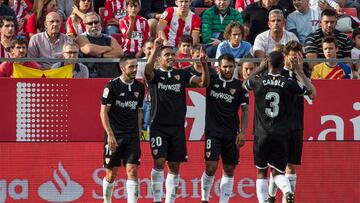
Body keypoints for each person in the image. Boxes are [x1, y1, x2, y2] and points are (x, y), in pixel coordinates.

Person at [144, 37, 209, 203]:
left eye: (172, 54)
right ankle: (157, 199)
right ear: (159, 58)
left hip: (177, 127)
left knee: (174, 165)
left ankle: (170, 201)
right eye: (166, 55)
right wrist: (154, 49)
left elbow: (203, 83)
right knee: (159, 162)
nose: (170, 57)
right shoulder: (155, 75)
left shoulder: (182, 74)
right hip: (158, 125)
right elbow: (146, 72)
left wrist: (205, 66)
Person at [243, 51, 314, 203]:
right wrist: (298, 71)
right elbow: (310, 91)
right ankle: (287, 191)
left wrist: (260, 68)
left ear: (267, 63)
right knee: (278, 172)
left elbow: (244, 84)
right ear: (283, 65)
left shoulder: (258, 80)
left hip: (261, 133)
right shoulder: (289, 83)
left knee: (261, 171)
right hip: (281, 134)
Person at [267, 40, 316, 203]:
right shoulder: (278, 73)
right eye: (292, 57)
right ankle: (271, 196)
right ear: (285, 57)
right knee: (276, 166)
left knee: (292, 165)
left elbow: (313, 94)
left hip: (295, 125)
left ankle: (286, 200)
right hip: (278, 127)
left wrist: (300, 72)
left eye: (298, 56)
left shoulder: (303, 73)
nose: (295, 60)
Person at [200, 53, 249, 203]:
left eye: (230, 66)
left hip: (231, 134)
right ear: (219, 68)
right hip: (213, 132)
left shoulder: (239, 86)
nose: (228, 69)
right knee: (211, 167)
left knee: (229, 169)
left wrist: (243, 132)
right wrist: (204, 65)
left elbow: (245, 110)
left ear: (235, 67)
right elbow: (204, 82)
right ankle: (204, 198)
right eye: (225, 67)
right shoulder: (212, 80)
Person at [100, 55, 145, 203]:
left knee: (132, 171)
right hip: (114, 135)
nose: (134, 69)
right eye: (131, 67)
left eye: (136, 66)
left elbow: (139, 111)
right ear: (123, 68)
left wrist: (138, 133)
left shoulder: (139, 87)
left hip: (132, 136)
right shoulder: (112, 86)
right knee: (111, 174)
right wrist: (110, 135)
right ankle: (107, 201)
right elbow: (103, 111)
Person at [76, 12, 124, 78]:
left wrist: (99, 54)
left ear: (100, 23)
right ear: (85, 25)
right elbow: (89, 49)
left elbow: (120, 53)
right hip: (91, 77)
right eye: (90, 23)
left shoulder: (110, 38)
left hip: (112, 76)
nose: (94, 25)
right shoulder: (81, 38)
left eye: (96, 22)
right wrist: (108, 48)